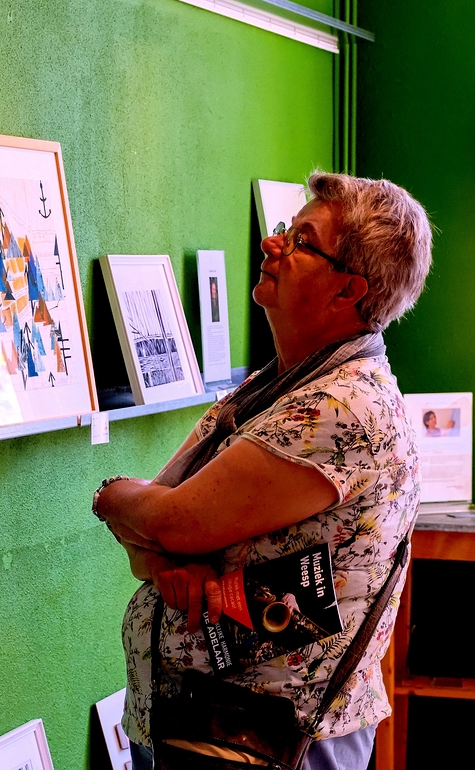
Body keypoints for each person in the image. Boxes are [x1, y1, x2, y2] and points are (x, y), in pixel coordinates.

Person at [93, 172, 432, 770]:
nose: (271, 244)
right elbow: (155, 531)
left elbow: (167, 520)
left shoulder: (339, 407)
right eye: (285, 230)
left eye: (302, 241)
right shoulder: (272, 388)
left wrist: (113, 497)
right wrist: (167, 557)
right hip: (207, 725)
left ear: (348, 290)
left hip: (255, 738)